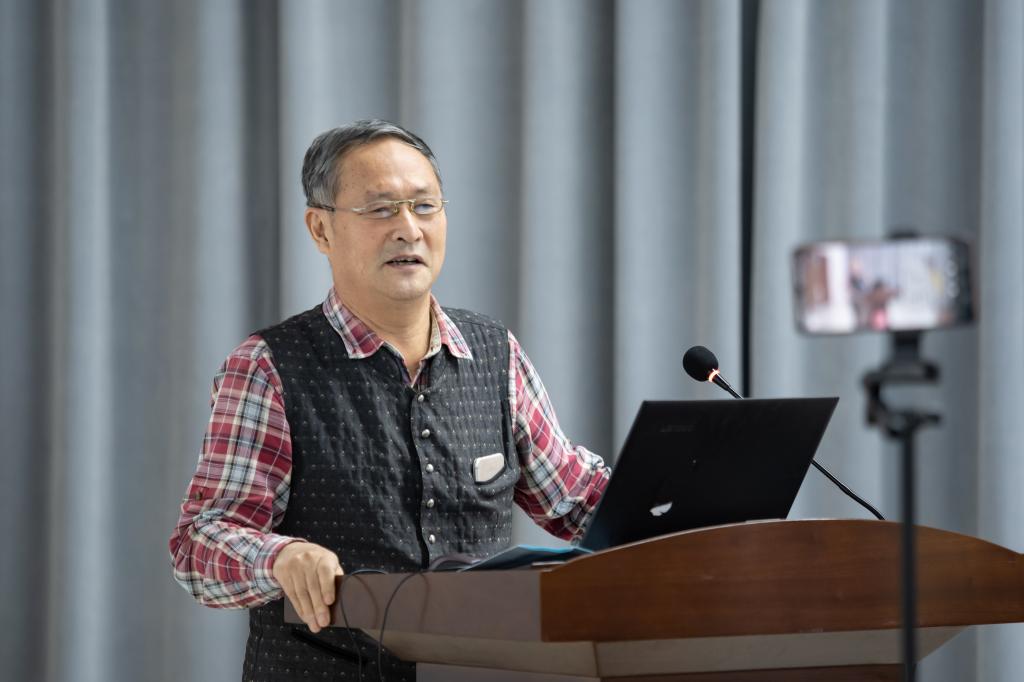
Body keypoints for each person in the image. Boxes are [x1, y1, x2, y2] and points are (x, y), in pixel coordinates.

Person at [169, 119, 610, 681]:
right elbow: (200, 544)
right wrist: (281, 557)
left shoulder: (495, 353)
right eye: (380, 209)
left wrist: (689, 510)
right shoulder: (268, 366)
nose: (408, 229)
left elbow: (574, 501)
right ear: (321, 229)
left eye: (424, 207)